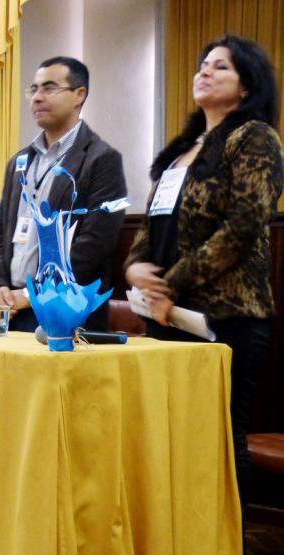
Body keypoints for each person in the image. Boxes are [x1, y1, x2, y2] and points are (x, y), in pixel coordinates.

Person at [124, 35, 283, 521]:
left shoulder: (255, 137)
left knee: (218, 433)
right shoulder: (183, 151)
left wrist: (169, 284)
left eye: (220, 68)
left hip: (227, 314)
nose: (204, 72)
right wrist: (134, 268)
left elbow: (244, 226)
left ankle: (224, 537)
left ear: (245, 87)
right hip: (166, 314)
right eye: (203, 64)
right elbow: (153, 224)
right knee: (171, 435)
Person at [0, 56, 127, 332]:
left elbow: (95, 244)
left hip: (65, 313)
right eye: (33, 89)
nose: (37, 97)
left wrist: (32, 295)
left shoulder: (101, 159)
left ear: (79, 95)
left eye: (49, 88)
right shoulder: (20, 161)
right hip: (9, 310)